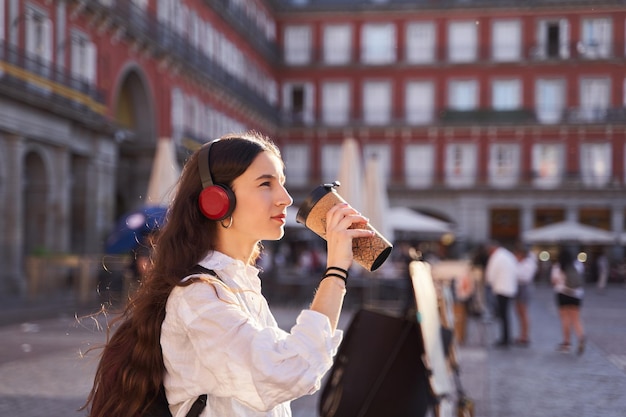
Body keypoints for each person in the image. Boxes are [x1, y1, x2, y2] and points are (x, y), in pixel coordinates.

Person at [83, 132, 376, 417]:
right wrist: (336, 269)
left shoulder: (236, 284)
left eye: (282, 183)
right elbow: (288, 372)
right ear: (217, 200)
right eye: (266, 184)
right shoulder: (198, 296)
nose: (285, 198)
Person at [551, 248, 586, 355]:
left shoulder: (557, 266)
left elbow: (553, 281)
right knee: (576, 319)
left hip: (562, 293)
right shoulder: (578, 264)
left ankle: (566, 343)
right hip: (576, 295)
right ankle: (581, 337)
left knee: (565, 319)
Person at [484, 241, 518, 348]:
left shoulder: (497, 257)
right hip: (509, 288)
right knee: (505, 315)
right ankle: (506, 337)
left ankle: (505, 339)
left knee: (503, 315)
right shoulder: (508, 255)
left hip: (501, 288)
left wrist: (489, 284)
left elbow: (490, 274)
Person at [513, 245, 538, 346]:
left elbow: (525, 277)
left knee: (523, 312)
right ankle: (521, 334)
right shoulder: (521, 263)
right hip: (518, 287)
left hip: (524, 287)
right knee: (519, 311)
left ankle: (525, 335)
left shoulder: (529, 263)